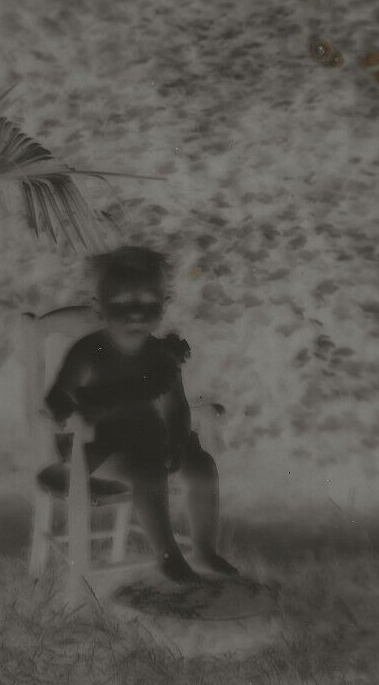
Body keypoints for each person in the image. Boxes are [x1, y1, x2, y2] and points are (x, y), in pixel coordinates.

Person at [46, 246, 237, 583]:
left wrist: (178, 444)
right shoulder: (89, 351)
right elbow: (58, 394)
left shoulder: (161, 355)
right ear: (99, 306)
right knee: (148, 470)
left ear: (163, 305)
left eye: (148, 302)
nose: (136, 313)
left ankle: (205, 549)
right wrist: (69, 414)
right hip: (102, 445)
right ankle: (168, 555)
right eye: (121, 303)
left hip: (153, 437)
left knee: (203, 467)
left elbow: (175, 406)